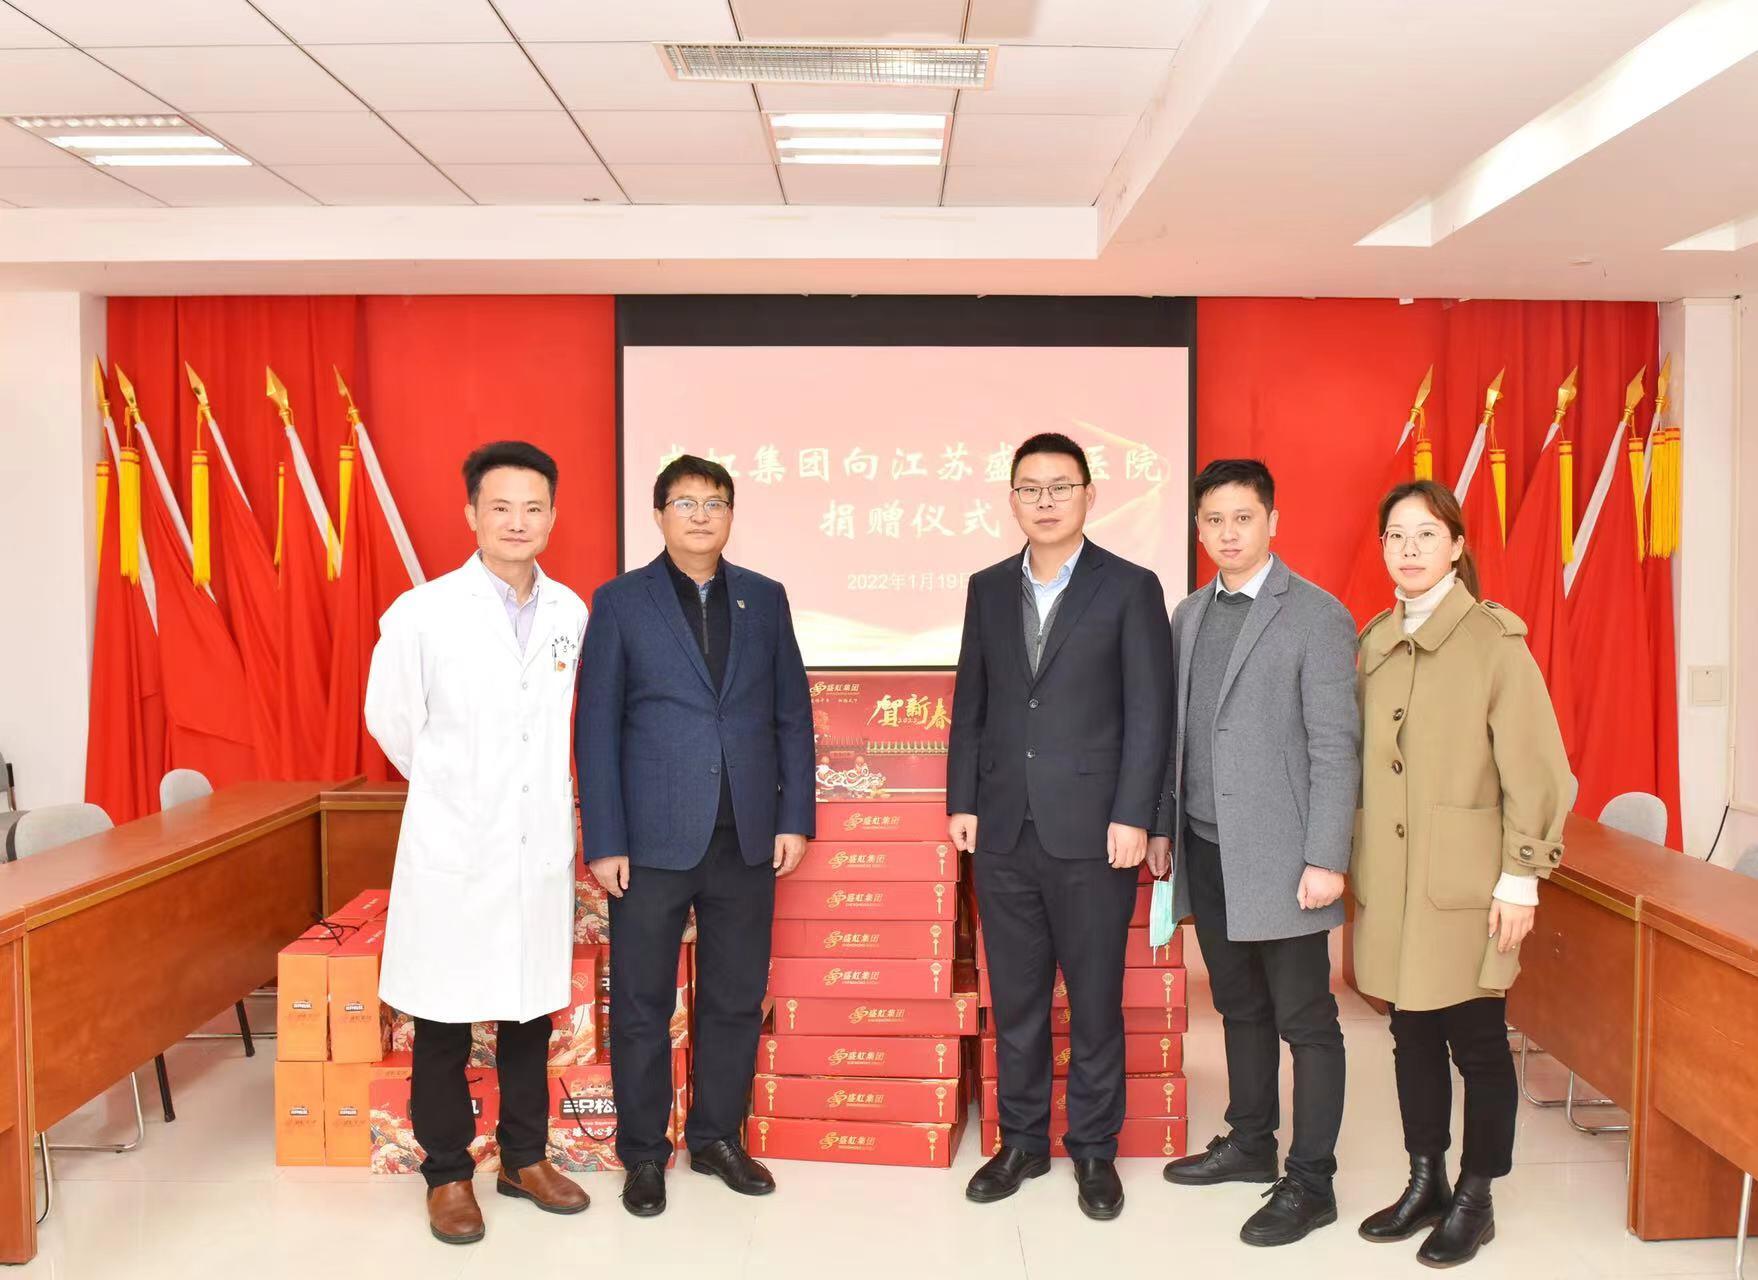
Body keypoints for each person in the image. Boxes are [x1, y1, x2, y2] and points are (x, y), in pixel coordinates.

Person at [576, 454, 815, 1218]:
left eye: (715, 502)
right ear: (659, 515)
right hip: (649, 842)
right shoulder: (621, 602)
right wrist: (604, 838)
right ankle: (644, 1154)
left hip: (745, 836)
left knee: (735, 998)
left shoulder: (764, 598)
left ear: (731, 514)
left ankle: (716, 1137)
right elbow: (596, 727)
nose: (702, 515)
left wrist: (795, 817)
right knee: (641, 1003)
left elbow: (792, 715)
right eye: (686, 503)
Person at [366, 440, 591, 1245]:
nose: (517, 522)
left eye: (533, 507)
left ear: (552, 516)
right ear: (471, 514)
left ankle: (524, 1158)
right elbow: (392, 723)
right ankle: (447, 1174)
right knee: (444, 1018)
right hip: (456, 847)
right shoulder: (422, 613)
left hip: (535, 848)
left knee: (528, 1011)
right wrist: (458, 793)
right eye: (501, 507)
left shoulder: (570, 613)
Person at [949, 431, 1174, 1221]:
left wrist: (1135, 814)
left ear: (1088, 495)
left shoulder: (1130, 587)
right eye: (1030, 489)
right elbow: (971, 702)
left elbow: (1150, 713)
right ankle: (1021, 1142)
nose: (1045, 502)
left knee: (1095, 1001)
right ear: (1012, 499)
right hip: (1004, 829)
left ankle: (1094, 1149)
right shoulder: (986, 588)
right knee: (1016, 1002)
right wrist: (963, 801)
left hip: (1095, 832)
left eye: (1060, 487)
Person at [1351, 480, 1570, 1267]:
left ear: (1456, 545)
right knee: (1409, 1033)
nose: (1408, 549)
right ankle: (1426, 1180)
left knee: (1476, 1040)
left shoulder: (1494, 641)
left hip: (1469, 884)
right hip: (1394, 881)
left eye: (1425, 534)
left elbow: (1537, 770)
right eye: (1395, 535)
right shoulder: (1376, 641)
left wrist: (1521, 877)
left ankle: (1477, 1198)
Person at [1153, 458, 1359, 1247]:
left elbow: (1335, 746)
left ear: (1272, 521)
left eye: (1243, 517)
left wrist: (1326, 857)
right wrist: (1166, 829)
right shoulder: (1188, 615)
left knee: (1307, 1020)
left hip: (1285, 857)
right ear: (1198, 528)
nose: (1228, 533)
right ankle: (1249, 1143)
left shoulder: (1316, 614)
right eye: (1213, 520)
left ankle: (1312, 1181)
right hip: (1207, 846)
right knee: (1237, 1005)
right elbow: (1177, 737)